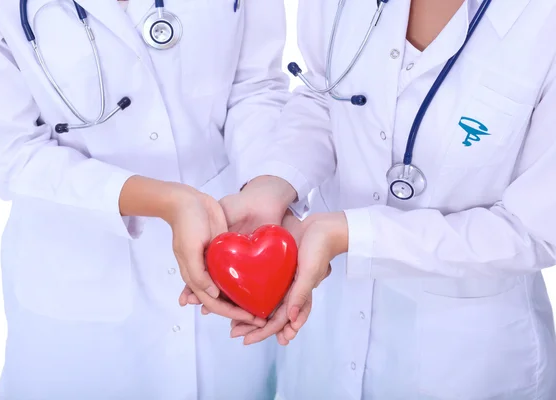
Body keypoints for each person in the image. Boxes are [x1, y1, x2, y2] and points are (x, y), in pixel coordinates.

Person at [206, 0, 556, 398]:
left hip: (465, 366)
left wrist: (356, 234)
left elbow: (536, 230)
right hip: (323, 344)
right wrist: (275, 183)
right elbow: (324, 94)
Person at [0, 0, 290, 398]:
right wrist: (167, 201)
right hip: (80, 283)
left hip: (231, 251)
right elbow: (12, 154)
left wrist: (262, 187)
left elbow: (255, 87)